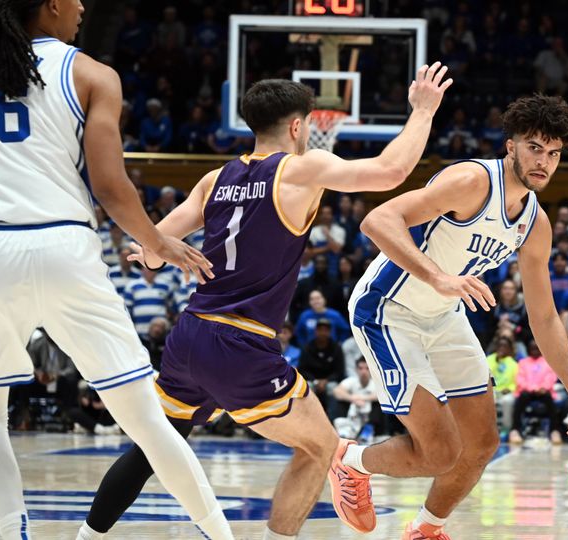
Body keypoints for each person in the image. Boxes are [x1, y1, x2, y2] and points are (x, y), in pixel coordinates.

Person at [81, 64, 454, 540]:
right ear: (299, 127)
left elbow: (152, 250)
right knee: (321, 448)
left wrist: (153, 255)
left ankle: (86, 537)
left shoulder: (214, 179)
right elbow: (392, 171)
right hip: (241, 343)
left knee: (154, 448)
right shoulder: (300, 169)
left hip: (190, 336)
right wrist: (422, 111)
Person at [0, 2, 232, 538]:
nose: (85, 5)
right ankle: (219, 535)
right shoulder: (90, 73)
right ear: (52, 4)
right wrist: (159, 241)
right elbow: (111, 189)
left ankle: (16, 533)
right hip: (67, 245)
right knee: (148, 422)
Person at [344, 94, 568, 539]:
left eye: (554, 153)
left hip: (444, 316)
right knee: (438, 452)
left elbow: (544, 318)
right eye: (534, 147)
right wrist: (438, 277)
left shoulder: (535, 224)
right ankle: (349, 461)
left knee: (482, 443)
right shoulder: (471, 180)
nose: (543, 161)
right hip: (388, 311)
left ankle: (426, 529)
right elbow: (377, 220)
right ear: (510, 146)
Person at [508, 341, 563, 445]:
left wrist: (543, 388)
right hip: (528, 392)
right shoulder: (523, 362)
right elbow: (520, 379)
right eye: (532, 348)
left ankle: (554, 431)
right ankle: (515, 430)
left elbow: (551, 378)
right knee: (521, 397)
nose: (534, 351)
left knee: (548, 398)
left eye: (537, 348)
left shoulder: (548, 362)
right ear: (528, 350)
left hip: (543, 392)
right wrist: (532, 388)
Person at [298, 318, 346, 415]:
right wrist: (315, 381)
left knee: (333, 388)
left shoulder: (336, 348)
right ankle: (308, 417)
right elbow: (302, 369)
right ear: (316, 331)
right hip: (312, 380)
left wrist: (326, 380)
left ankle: (333, 419)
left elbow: (339, 371)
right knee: (306, 388)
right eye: (320, 330)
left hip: (330, 381)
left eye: (326, 330)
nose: (323, 332)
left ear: (329, 332)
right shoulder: (307, 347)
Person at [332, 358, 378, 440]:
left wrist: (362, 398)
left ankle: (368, 430)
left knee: (379, 404)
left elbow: (382, 395)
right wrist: (352, 398)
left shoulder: (375, 382)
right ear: (356, 370)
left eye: (367, 368)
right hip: (352, 415)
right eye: (360, 368)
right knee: (338, 400)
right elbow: (337, 391)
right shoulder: (351, 381)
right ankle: (342, 430)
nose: (364, 372)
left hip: (369, 417)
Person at [486, 336, 519, 436]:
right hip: (492, 391)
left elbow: (516, 381)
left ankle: (506, 429)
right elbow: (485, 376)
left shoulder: (513, 363)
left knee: (507, 401)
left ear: (509, 348)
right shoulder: (489, 359)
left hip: (507, 392)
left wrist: (509, 389)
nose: (502, 348)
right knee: (488, 401)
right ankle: (489, 429)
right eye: (499, 345)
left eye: (505, 346)